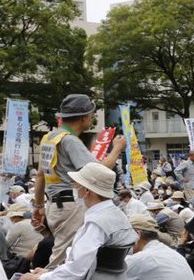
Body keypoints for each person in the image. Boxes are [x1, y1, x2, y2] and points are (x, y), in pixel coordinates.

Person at [11, 163, 138, 280]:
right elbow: (89, 264)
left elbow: (77, 270)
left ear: (87, 191)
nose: (74, 187)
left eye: (77, 184)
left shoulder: (97, 222)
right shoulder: (117, 215)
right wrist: (51, 272)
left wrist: (40, 278)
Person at [32, 94, 127, 268]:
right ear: (84, 118)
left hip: (55, 205)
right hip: (71, 205)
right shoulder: (70, 141)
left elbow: (40, 176)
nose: (91, 118)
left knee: (68, 256)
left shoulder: (49, 138)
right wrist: (117, 149)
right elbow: (98, 172)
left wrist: (38, 206)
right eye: (91, 115)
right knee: (63, 261)